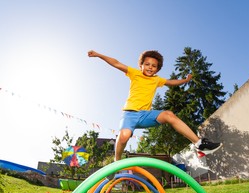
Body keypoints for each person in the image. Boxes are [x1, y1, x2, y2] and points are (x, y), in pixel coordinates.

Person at [88, 50, 222, 161]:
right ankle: (116, 161)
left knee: (169, 115)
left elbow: (172, 82)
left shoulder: (157, 80)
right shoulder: (134, 73)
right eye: (147, 64)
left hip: (146, 115)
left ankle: (199, 144)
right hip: (129, 114)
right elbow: (116, 63)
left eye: (154, 66)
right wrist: (99, 55)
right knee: (124, 135)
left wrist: (185, 80)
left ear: (157, 69)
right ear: (141, 65)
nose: (150, 67)